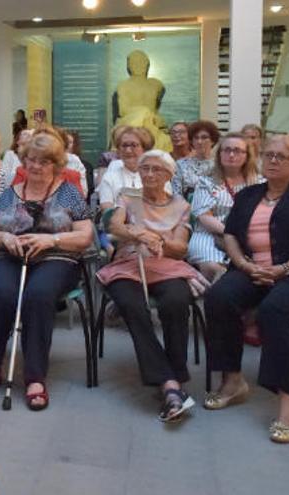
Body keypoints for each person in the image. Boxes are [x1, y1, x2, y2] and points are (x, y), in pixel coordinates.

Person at [204, 134, 289, 443]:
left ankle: (288, 401)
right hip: (256, 269)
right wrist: (243, 264)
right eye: (268, 155)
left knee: (274, 309)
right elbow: (230, 235)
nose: (273, 161)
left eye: (282, 157)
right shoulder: (249, 194)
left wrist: (285, 269)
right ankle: (233, 380)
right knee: (218, 297)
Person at [0, 133, 94, 411]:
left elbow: (85, 236)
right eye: (31, 160)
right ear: (24, 162)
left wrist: (52, 240)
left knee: (38, 295)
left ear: (56, 164)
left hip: (57, 258)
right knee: (0, 293)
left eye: (44, 162)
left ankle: (35, 376)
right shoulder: (11, 193)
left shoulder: (69, 192)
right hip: (13, 256)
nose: (36, 167)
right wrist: (6, 239)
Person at [97, 150, 207, 423]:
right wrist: (138, 233)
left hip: (166, 264)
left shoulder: (181, 205)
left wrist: (161, 241)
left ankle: (172, 374)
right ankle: (170, 382)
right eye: (145, 169)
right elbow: (113, 224)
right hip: (129, 263)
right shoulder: (130, 196)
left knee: (176, 301)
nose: (148, 174)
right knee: (132, 304)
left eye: (156, 170)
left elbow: (180, 248)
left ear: (169, 175)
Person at [189, 132, 262, 282]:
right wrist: (231, 233)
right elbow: (204, 216)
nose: (231, 154)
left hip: (248, 235)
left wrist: (241, 236)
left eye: (237, 150)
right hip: (210, 233)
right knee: (215, 266)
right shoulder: (206, 181)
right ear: (219, 154)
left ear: (247, 155)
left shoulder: (259, 182)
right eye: (227, 150)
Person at [97, 126, 168, 211]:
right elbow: (106, 207)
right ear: (118, 151)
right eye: (124, 145)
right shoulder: (109, 177)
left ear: (145, 150)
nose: (128, 150)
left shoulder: (160, 176)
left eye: (134, 145)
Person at [172, 120, 219, 198]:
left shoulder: (220, 165)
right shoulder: (181, 165)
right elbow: (176, 195)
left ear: (213, 141)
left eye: (204, 137)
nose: (199, 141)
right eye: (196, 138)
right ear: (192, 141)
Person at [0, 128, 34, 194]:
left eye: (29, 135)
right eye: (24, 134)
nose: (27, 135)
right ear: (18, 141)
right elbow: (4, 177)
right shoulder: (10, 154)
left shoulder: (34, 159)